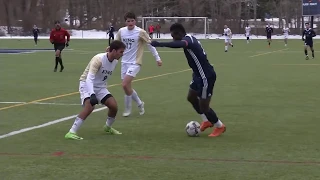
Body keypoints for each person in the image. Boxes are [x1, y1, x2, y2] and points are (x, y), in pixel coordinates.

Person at [150, 23, 226, 137]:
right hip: (197, 75)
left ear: (178, 34)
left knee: (204, 105)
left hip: (206, 76)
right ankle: (206, 120)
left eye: (173, 36)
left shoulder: (187, 41)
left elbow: (181, 44)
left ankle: (219, 126)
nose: (173, 38)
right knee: (191, 97)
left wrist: (160, 44)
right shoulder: (189, 38)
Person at [64, 40, 126, 140]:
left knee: (113, 106)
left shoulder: (115, 61)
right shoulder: (98, 59)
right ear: (114, 51)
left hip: (101, 87)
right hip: (86, 84)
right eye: (121, 52)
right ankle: (71, 132)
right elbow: (89, 78)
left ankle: (107, 127)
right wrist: (92, 94)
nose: (122, 54)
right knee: (90, 107)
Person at [111, 12, 162, 117]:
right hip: (124, 62)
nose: (130, 23)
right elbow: (116, 43)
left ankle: (127, 110)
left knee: (125, 84)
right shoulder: (121, 31)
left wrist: (157, 58)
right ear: (125, 22)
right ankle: (139, 103)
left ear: (135, 21)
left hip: (135, 63)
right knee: (127, 87)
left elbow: (150, 45)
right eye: (128, 21)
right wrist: (110, 49)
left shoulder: (140, 32)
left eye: (132, 20)